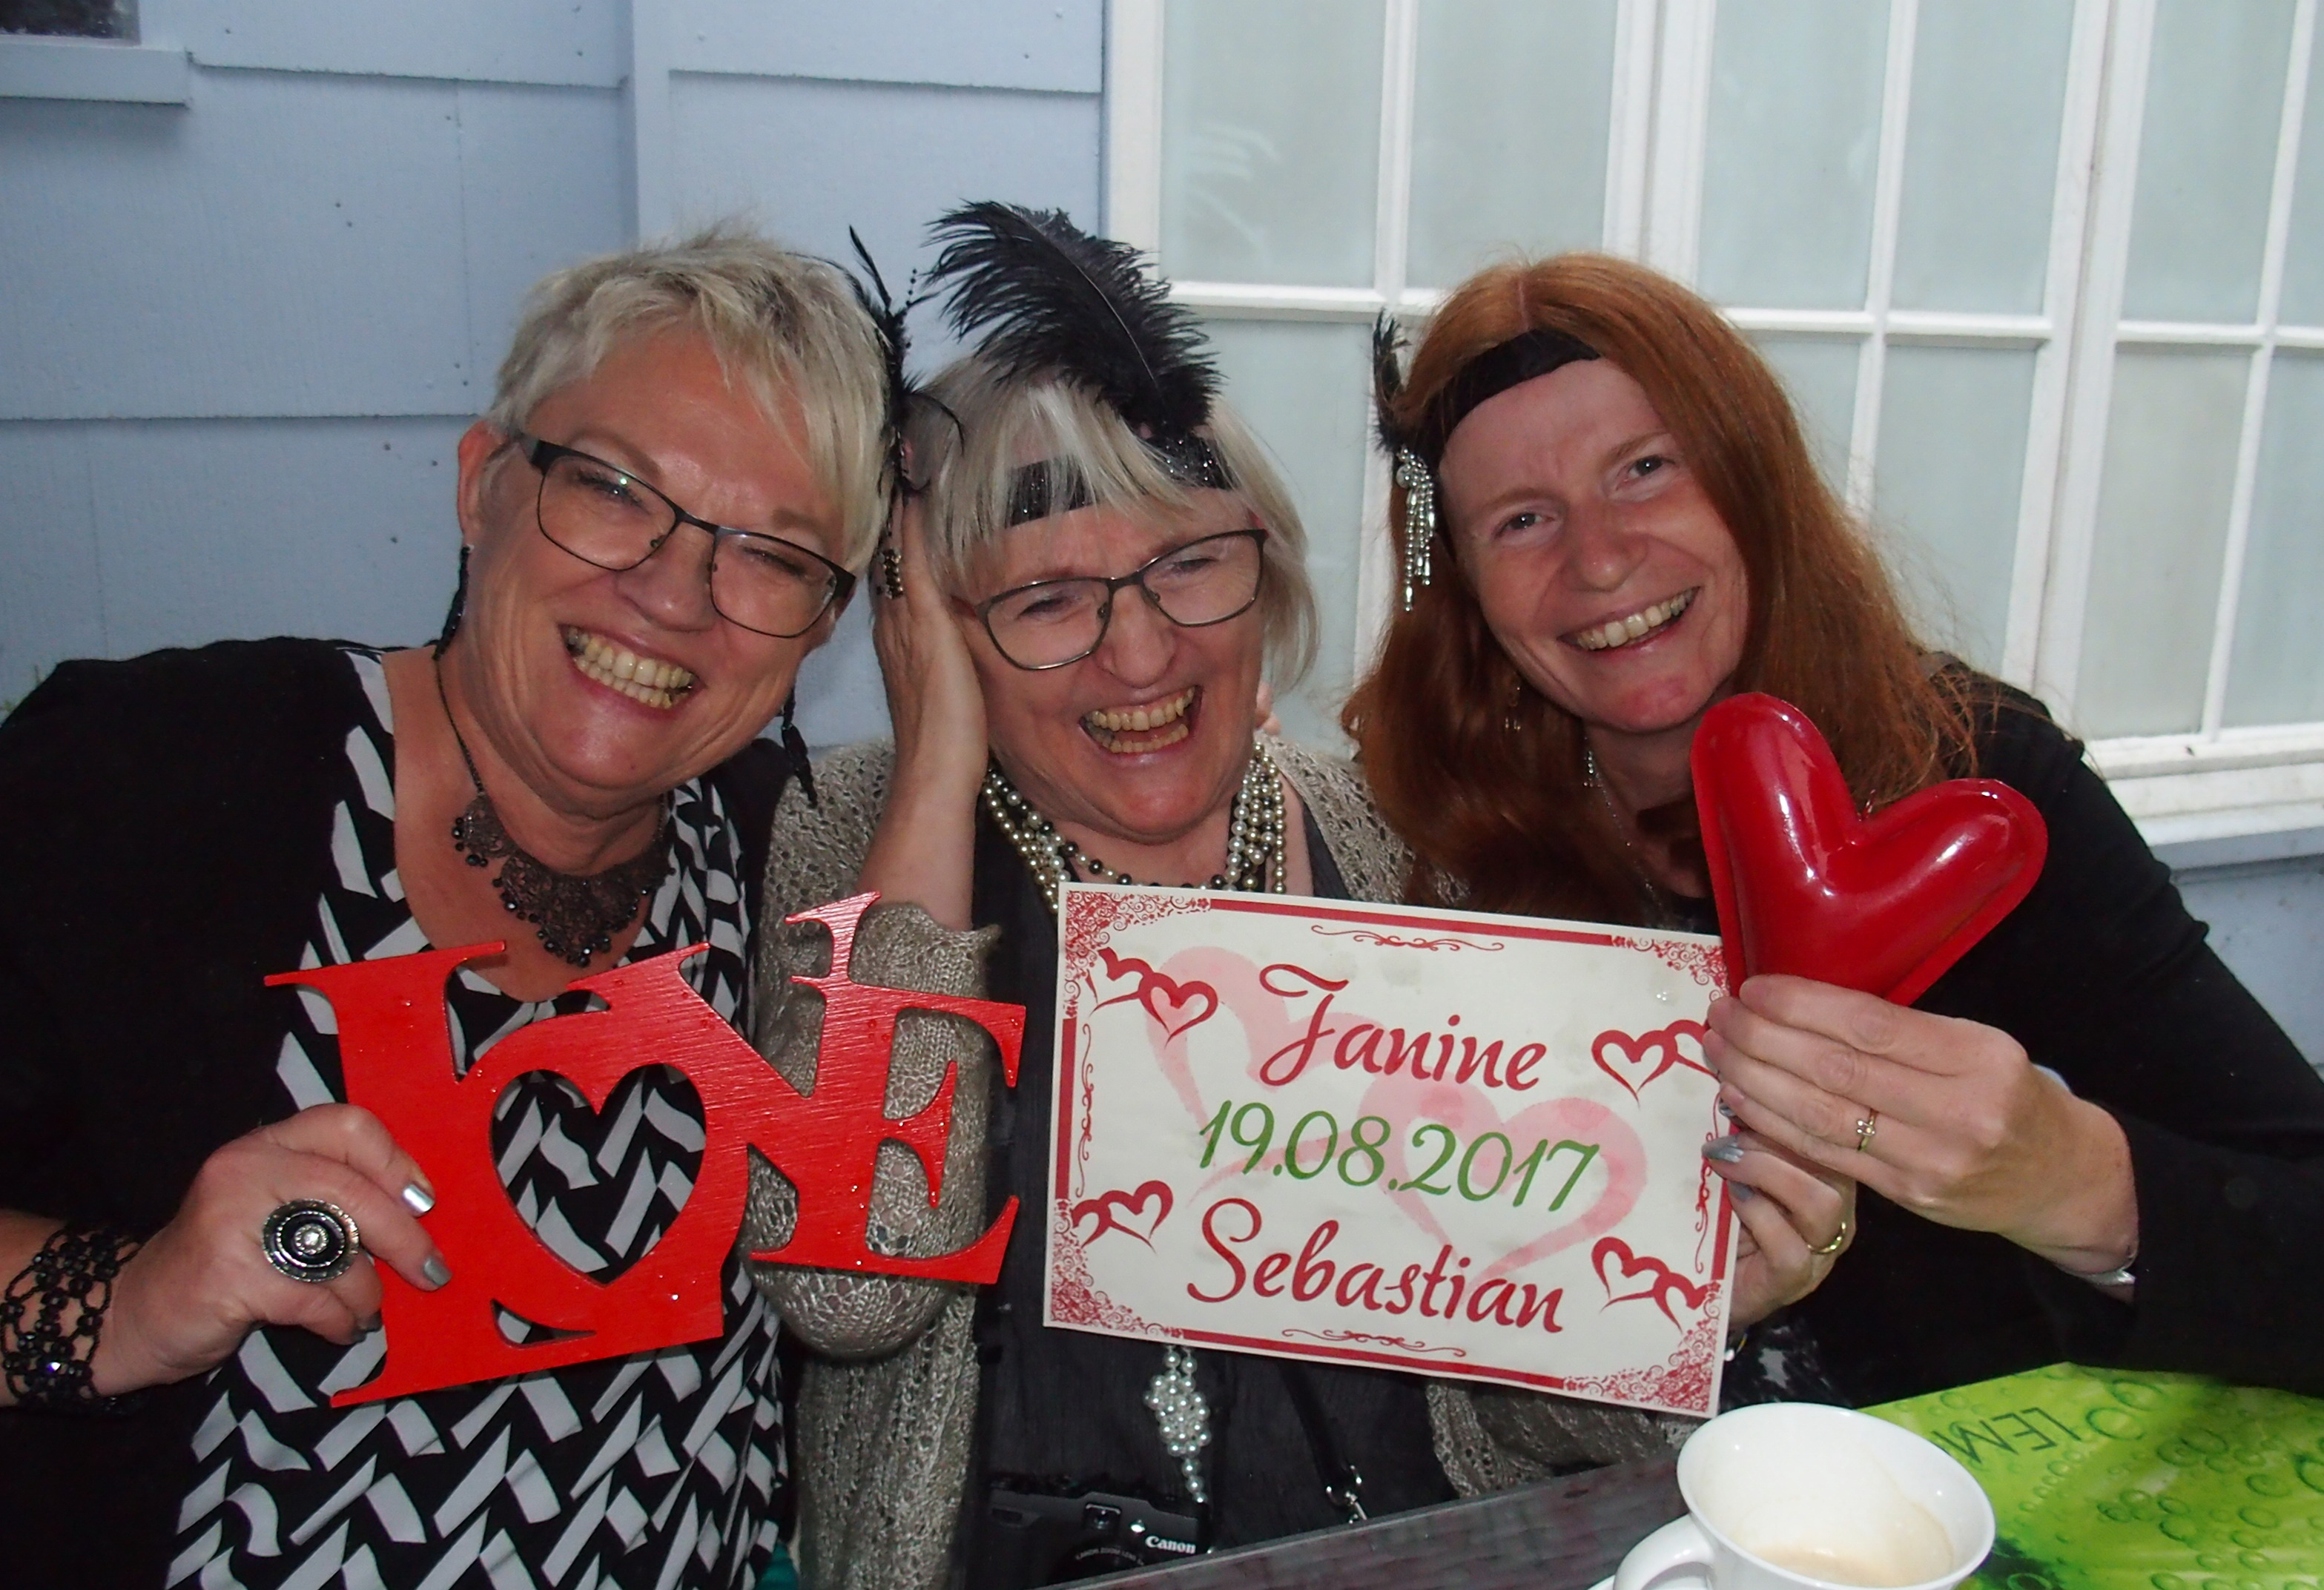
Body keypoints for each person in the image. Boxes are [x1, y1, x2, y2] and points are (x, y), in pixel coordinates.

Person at [1346, 251, 2324, 1441]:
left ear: (1753, 480)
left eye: (1646, 469)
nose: (1601, 558)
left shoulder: (1975, 782)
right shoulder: (1435, 848)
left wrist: (2075, 1180)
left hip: (1979, 1500)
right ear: (1462, 585)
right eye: (1522, 519)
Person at [0, 227, 893, 1589]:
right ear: (483, 484)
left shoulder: (787, 861)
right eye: (615, 490)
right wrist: (125, 1302)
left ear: (823, 626)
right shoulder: (155, 778)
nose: (673, 594)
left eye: (770, 555)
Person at [742, 204, 1565, 1590]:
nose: (1140, 655)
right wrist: (938, 760)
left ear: (1267, 569)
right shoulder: (849, 841)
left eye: (1190, 565)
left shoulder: (1408, 848)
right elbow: (846, 1291)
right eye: (1048, 600)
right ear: (940, 626)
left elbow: (1546, 1391)